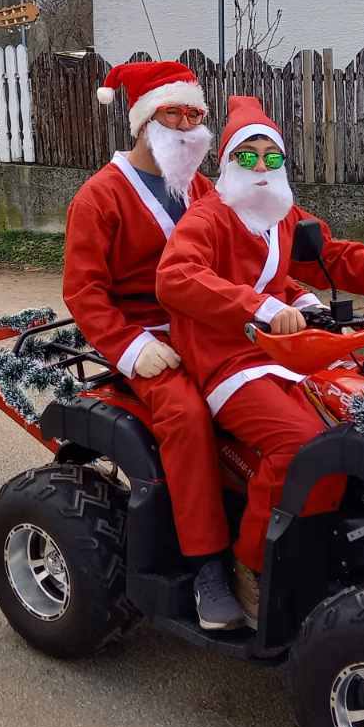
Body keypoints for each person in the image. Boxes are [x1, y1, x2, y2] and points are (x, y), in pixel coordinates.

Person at [156, 96, 364, 623]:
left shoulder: (281, 215)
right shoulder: (208, 218)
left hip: (289, 352)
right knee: (303, 447)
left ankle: (337, 545)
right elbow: (176, 277)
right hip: (228, 359)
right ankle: (252, 565)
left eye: (272, 157)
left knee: (359, 420)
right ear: (228, 162)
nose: (261, 166)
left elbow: (336, 255)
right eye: (248, 156)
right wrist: (260, 307)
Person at [64, 61, 245, 631]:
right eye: (174, 113)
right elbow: (84, 291)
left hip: (209, 327)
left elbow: (246, 251)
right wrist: (130, 346)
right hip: (149, 340)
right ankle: (207, 566)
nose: (188, 125)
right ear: (144, 121)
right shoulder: (99, 197)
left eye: (195, 114)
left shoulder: (204, 189)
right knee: (186, 415)